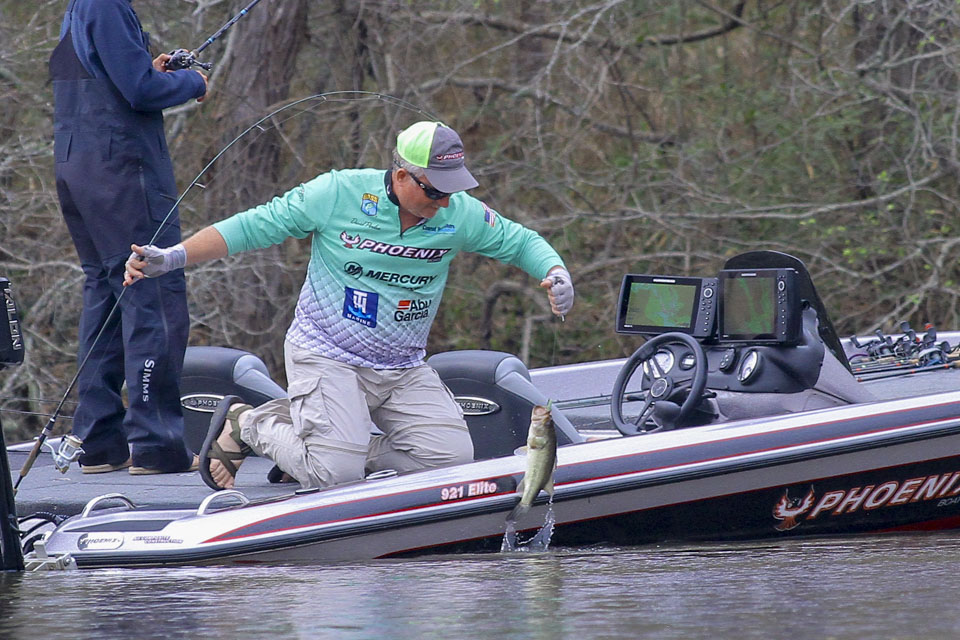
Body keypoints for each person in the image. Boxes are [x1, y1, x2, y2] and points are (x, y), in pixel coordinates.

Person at [124, 121, 574, 490]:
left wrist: (556, 272)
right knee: (335, 474)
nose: (444, 203)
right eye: (434, 191)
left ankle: (317, 447)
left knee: (448, 461)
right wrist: (174, 257)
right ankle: (249, 425)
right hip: (327, 354)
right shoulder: (338, 193)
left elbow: (521, 242)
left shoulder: (459, 214)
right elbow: (253, 226)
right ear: (402, 175)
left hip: (402, 366)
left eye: (452, 191)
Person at [51, 0, 208, 474]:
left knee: (105, 292)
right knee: (153, 289)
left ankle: (99, 441)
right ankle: (156, 444)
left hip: (77, 166)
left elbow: (118, 78)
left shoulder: (80, 8)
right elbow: (140, 92)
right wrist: (192, 82)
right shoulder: (108, 5)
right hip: (122, 168)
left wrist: (150, 69)